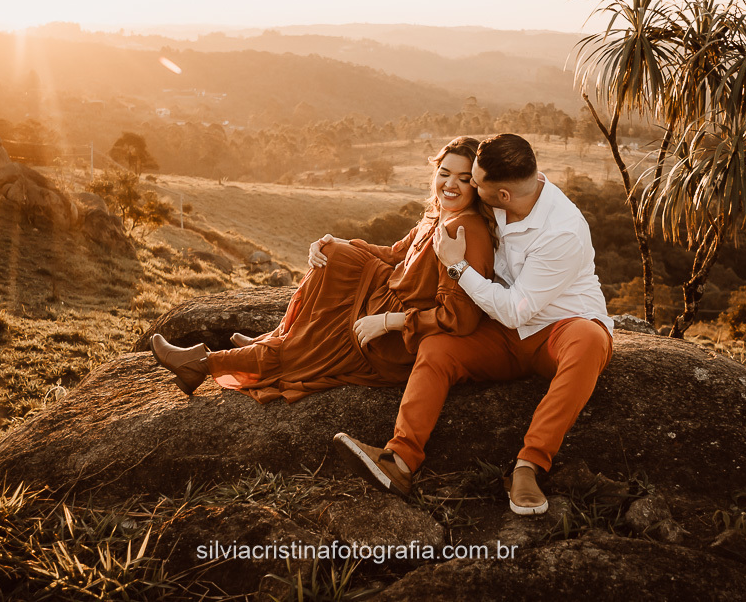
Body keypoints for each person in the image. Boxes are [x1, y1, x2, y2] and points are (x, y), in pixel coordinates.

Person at [333, 133, 613, 516]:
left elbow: (516, 310)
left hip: (560, 329)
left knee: (590, 339)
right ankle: (399, 460)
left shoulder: (562, 231)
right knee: (436, 346)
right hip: (502, 333)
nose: (468, 187)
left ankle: (528, 466)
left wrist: (458, 267)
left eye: (474, 182)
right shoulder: (502, 195)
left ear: (503, 195)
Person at [148, 137, 496, 403]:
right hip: (387, 296)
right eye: (444, 173)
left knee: (314, 341)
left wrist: (388, 322)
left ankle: (203, 363)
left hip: (396, 335)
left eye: (463, 179)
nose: (450, 184)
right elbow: (395, 255)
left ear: (478, 186)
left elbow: (458, 318)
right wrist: (337, 242)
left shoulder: (465, 232)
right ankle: (271, 339)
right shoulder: (438, 215)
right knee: (334, 254)